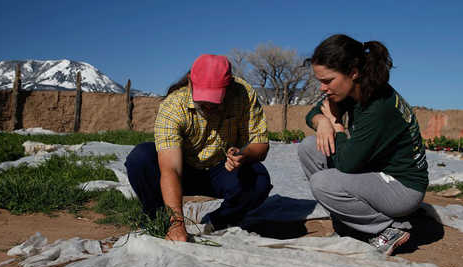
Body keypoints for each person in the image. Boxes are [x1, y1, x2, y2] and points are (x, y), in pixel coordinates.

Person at [298, 34, 428, 255]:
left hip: (402, 187)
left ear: (354, 72)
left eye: (327, 81)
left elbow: (347, 164)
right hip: (376, 173)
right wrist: (322, 122)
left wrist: (337, 124)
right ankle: (350, 224)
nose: (322, 88)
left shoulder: (378, 107)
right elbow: (313, 113)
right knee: (310, 147)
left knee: (324, 182)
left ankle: (389, 228)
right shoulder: (351, 90)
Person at [125, 54, 272, 242]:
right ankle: (159, 220)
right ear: (190, 83)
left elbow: (261, 144)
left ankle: (219, 221)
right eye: (204, 102)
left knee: (258, 178)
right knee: (140, 158)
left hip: (222, 170)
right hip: (183, 170)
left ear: (229, 88)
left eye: (215, 102)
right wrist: (177, 223)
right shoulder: (173, 105)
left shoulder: (243, 94)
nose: (209, 108)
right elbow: (171, 168)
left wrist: (244, 154)